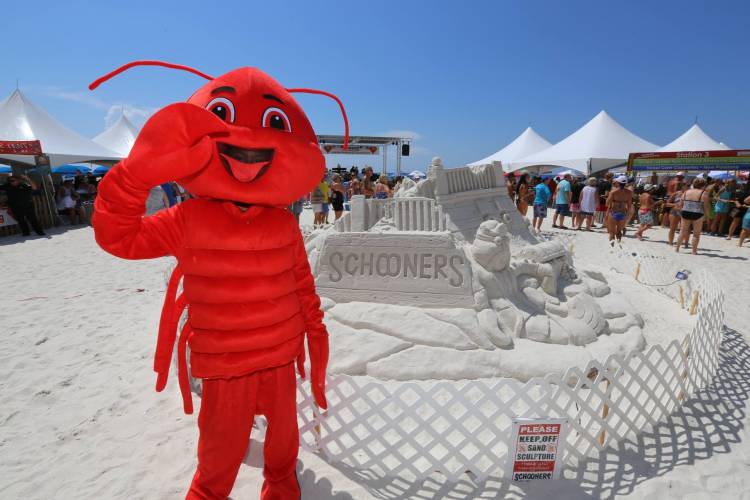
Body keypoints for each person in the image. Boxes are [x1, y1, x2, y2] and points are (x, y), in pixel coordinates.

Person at [676, 177, 711, 255]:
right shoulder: (703, 193)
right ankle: (693, 251)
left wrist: (681, 213)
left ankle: (677, 248)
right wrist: (708, 217)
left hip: (685, 212)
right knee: (696, 234)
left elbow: (680, 204)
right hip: (697, 213)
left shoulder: (686, 192)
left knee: (682, 232)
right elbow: (706, 206)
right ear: (703, 185)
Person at [606, 175, 633, 245]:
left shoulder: (613, 192)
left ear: (618, 182)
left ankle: (612, 247)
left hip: (613, 212)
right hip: (623, 213)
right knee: (619, 231)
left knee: (612, 232)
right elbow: (629, 205)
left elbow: (607, 203)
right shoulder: (629, 192)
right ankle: (618, 244)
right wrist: (627, 215)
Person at [665, 182, 685, 246]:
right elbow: (667, 204)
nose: (689, 187)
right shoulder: (676, 194)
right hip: (675, 212)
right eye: (687, 185)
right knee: (672, 228)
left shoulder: (689, 194)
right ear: (682, 186)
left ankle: (681, 242)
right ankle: (670, 242)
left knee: (685, 229)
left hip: (684, 212)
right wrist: (675, 204)